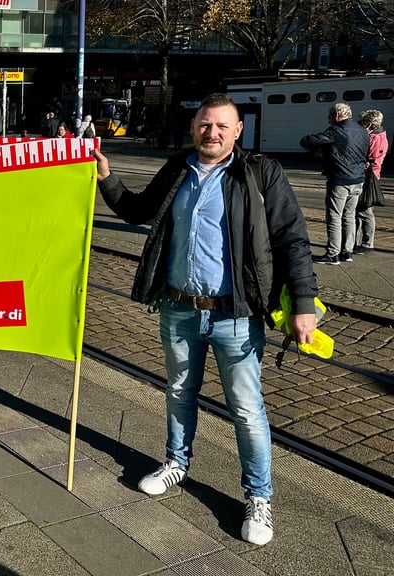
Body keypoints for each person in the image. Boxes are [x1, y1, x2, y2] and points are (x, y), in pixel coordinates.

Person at [92, 93, 318, 546]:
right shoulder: (179, 168)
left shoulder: (259, 172)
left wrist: (304, 304)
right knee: (179, 392)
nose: (211, 133)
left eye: (221, 126)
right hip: (178, 308)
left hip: (235, 314)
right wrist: (107, 177)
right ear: (193, 126)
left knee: (246, 409)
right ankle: (176, 463)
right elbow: (138, 210)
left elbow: (292, 239)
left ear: (237, 131)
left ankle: (259, 496)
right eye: (204, 124)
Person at [299, 102, 370, 265]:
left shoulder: (336, 131)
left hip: (340, 179)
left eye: (330, 115)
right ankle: (348, 251)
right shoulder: (362, 131)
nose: (328, 119)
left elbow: (309, 140)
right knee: (350, 216)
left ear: (337, 115)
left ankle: (333, 254)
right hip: (358, 179)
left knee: (334, 217)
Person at [355, 110, 387, 255]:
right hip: (368, 176)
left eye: (362, 122)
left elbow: (373, 161)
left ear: (369, 124)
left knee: (365, 211)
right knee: (360, 211)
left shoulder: (376, 139)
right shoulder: (375, 136)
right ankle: (357, 242)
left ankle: (367, 244)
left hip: (369, 178)